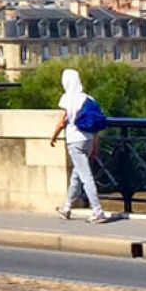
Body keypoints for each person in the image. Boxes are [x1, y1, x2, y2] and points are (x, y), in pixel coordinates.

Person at [49, 68, 108, 223]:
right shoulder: (88, 99)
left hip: (75, 141)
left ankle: (97, 211)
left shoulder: (68, 99)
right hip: (88, 140)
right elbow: (96, 126)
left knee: (85, 177)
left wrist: (54, 136)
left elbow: (63, 121)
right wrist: (95, 146)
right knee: (77, 175)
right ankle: (67, 207)